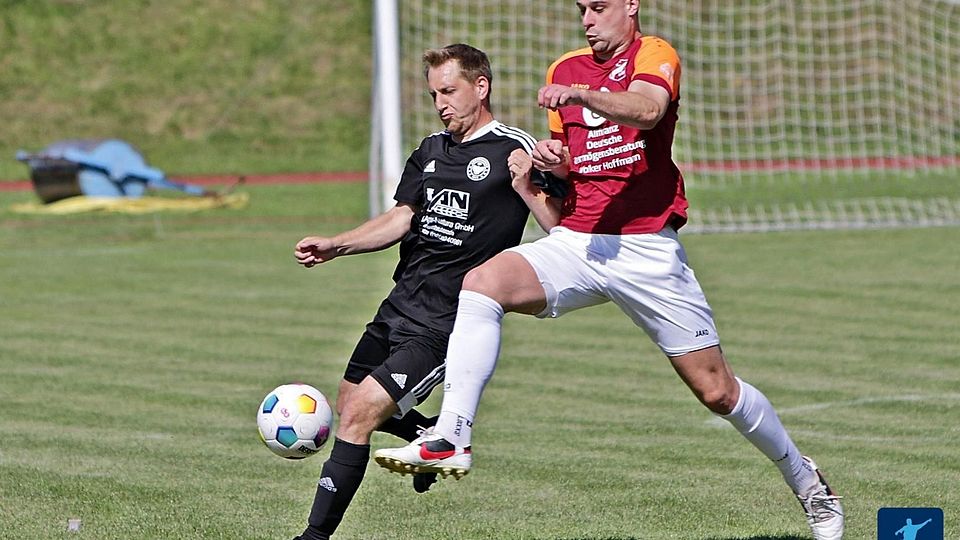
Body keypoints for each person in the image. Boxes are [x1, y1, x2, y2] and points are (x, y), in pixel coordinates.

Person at [373, 2, 845, 540]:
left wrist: (582, 95)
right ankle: (452, 435)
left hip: (646, 249)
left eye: (598, 7)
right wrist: (551, 164)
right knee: (482, 282)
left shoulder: (653, 55)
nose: (587, 20)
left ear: (630, 6)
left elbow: (647, 111)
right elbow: (573, 170)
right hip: (578, 241)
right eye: (582, 9)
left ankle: (806, 481)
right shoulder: (564, 67)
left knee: (717, 392)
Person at [290, 43, 559, 540]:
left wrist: (534, 182)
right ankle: (427, 434)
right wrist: (337, 244)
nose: (440, 103)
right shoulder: (430, 150)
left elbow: (559, 225)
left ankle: (314, 536)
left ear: (481, 86)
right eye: (434, 94)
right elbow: (401, 217)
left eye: (449, 91)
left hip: (444, 323)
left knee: (358, 416)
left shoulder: (515, 150)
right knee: (348, 400)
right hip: (399, 304)